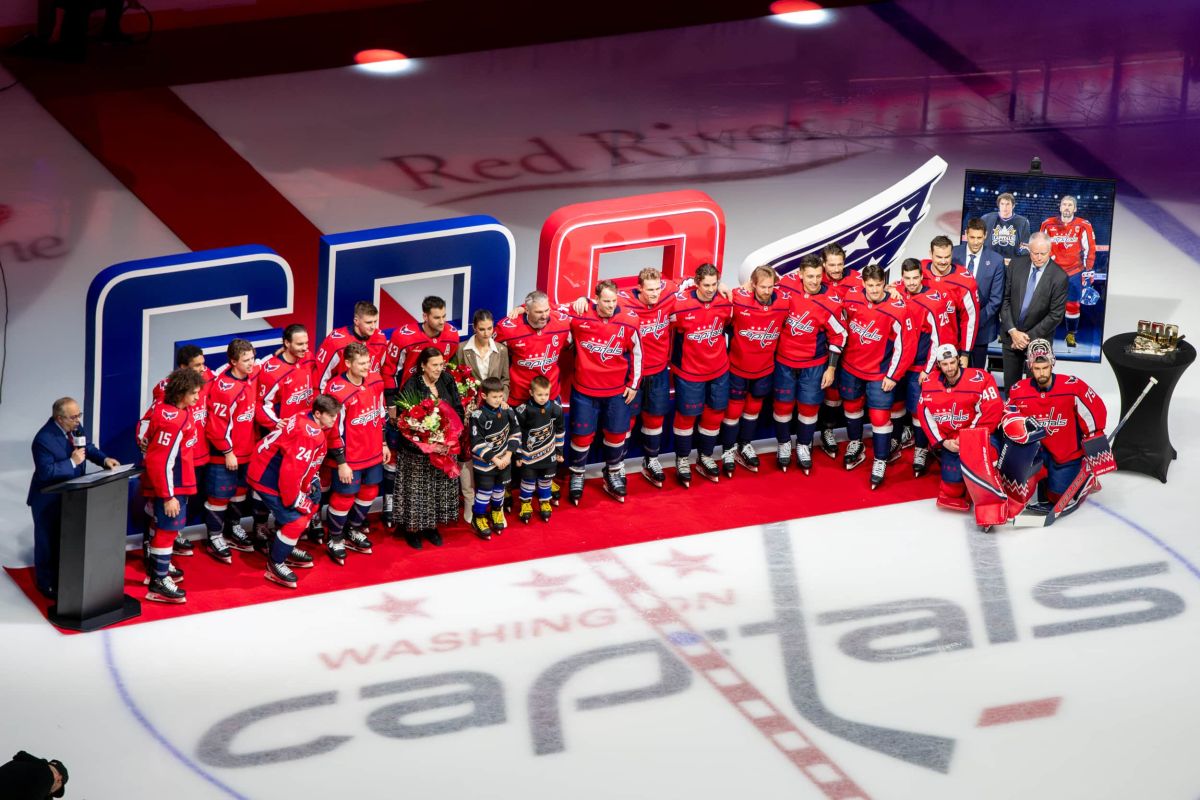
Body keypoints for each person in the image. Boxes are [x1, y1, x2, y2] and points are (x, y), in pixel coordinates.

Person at [27, 397, 120, 598]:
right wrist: (71, 462)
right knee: (47, 541)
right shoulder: (43, 440)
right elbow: (45, 473)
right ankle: (46, 583)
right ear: (59, 419)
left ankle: (66, 576)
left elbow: (88, 447)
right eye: (73, 417)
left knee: (67, 538)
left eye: (79, 415)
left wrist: (104, 459)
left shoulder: (75, 427)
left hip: (73, 495)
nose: (78, 420)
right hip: (48, 499)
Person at [248, 394, 342, 588]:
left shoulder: (306, 416)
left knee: (311, 504)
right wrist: (295, 500)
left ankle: (285, 546)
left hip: (270, 470)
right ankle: (275, 563)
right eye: (331, 415)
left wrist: (308, 486)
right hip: (267, 476)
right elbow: (290, 472)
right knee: (297, 520)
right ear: (317, 413)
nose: (335, 419)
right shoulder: (310, 434)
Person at [564, 280, 642, 504]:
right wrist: (581, 299)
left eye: (613, 301)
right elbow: (548, 310)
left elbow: (637, 353)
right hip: (585, 390)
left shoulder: (629, 320)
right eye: (605, 301)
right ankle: (577, 474)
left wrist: (633, 384)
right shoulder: (580, 314)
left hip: (616, 392)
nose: (610, 305)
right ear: (596, 299)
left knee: (617, 433)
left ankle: (613, 471)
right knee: (581, 436)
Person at [382, 296, 460, 518]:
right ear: (424, 316)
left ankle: (430, 512)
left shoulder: (452, 336)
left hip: (437, 406)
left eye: (444, 316)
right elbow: (389, 372)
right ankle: (390, 502)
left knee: (435, 457)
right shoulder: (403, 336)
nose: (442, 321)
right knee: (400, 457)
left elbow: (446, 369)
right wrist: (392, 407)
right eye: (437, 317)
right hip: (407, 405)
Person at [1006, 339, 1108, 504]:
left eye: (1045, 368)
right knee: (1017, 493)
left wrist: (1094, 441)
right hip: (1035, 453)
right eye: (1037, 369)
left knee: (1057, 498)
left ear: (1052, 364)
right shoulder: (1019, 390)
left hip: (1066, 454)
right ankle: (1044, 477)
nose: (1042, 373)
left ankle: (1086, 474)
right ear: (1030, 366)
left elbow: (1096, 410)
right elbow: (1008, 417)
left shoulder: (1072, 386)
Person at [772, 254, 846, 475]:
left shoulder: (831, 301)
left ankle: (804, 445)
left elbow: (839, 335)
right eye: (809, 276)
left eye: (817, 276)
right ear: (800, 274)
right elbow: (761, 278)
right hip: (784, 362)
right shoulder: (786, 285)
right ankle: (784, 443)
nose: (814, 281)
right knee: (783, 407)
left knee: (809, 407)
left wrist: (831, 368)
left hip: (813, 365)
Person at [838, 263, 909, 488]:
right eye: (870, 285)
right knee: (851, 407)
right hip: (851, 367)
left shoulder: (897, 307)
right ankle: (856, 443)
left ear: (884, 284)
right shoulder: (851, 297)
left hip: (879, 372)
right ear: (863, 284)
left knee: (879, 418)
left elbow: (905, 345)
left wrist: (893, 375)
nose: (875, 290)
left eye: (879, 285)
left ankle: (880, 459)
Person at [139, 344, 211, 557]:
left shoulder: (201, 383)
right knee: (162, 516)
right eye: (197, 365)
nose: (202, 369)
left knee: (170, 520)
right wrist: (144, 439)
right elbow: (148, 422)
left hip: (189, 459)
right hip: (172, 470)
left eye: (203, 363)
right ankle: (155, 559)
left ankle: (162, 551)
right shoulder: (170, 409)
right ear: (182, 367)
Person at [141, 368, 205, 603]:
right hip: (172, 486)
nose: (198, 398)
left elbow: (143, 434)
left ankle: (157, 573)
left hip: (174, 482)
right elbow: (160, 460)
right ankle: (158, 582)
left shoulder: (168, 410)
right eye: (194, 393)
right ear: (180, 393)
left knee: (162, 528)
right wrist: (168, 496)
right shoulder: (174, 421)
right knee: (167, 531)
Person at [915, 344, 1004, 509]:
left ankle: (991, 490)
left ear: (958, 360)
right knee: (952, 489)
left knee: (987, 460)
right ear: (939, 366)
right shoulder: (929, 383)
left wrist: (966, 438)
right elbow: (924, 415)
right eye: (945, 364)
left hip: (980, 436)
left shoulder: (980, 378)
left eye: (952, 362)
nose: (949, 368)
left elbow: (993, 410)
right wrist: (943, 442)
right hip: (952, 442)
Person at [722, 266, 790, 477]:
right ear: (752, 285)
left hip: (764, 369)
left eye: (771, 287)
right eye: (762, 287)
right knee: (733, 412)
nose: (767, 291)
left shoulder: (783, 303)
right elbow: (714, 295)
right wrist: (725, 286)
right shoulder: (738, 299)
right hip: (737, 368)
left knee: (753, 409)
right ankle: (728, 449)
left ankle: (745, 444)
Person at [669, 263, 733, 487]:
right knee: (687, 416)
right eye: (706, 285)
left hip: (719, 369)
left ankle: (705, 455)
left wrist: (723, 287)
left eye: (714, 284)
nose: (710, 289)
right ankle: (683, 459)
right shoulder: (680, 306)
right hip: (689, 371)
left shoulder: (725, 301)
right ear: (696, 283)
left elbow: (728, 323)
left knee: (715, 413)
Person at [324, 342, 387, 563]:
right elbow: (332, 430)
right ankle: (335, 537)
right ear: (348, 363)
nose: (366, 367)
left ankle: (353, 528)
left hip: (373, 452)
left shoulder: (376, 380)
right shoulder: (336, 390)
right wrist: (341, 462)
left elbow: (380, 413)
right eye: (361, 364)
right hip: (349, 458)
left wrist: (385, 443)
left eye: (368, 362)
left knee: (369, 492)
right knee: (344, 496)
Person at [394, 347, 464, 547]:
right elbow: (404, 420)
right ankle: (412, 530)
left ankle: (431, 527)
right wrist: (427, 445)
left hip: (445, 449)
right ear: (422, 366)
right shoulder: (411, 385)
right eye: (434, 365)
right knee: (417, 493)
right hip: (417, 453)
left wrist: (448, 440)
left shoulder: (447, 380)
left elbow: (457, 408)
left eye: (441, 364)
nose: (439, 369)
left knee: (436, 490)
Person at [252, 324, 315, 547]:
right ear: (286, 343)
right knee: (269, 485)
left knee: (296, 484)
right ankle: (259, 526)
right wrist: (278, 424)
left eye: (306, 343)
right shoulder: (272, 371)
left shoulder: (308, 359)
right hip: (279, 441)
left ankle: (285, 530)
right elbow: (261, 405)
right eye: (299, 344)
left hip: (304, 436)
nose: (304, 348)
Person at [202, 338, 259, 562]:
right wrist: (227, 452)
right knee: (219, 498)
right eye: (246, 360)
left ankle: (233, 527)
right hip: (224, 455)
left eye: (252, 358)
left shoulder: (252, 376)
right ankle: (214, 537)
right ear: (233, 361)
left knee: (239, 494)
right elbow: (215, 427)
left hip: (246, 451)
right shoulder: (224, 389)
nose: (251, 363)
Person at [452, 309, 510, 521]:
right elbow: (456, 379)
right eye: (482, 329)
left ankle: (498, 506)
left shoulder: (501, 350)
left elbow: (505, 380)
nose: (487, 334)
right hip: (470, 412)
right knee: (468, 454)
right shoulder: (461, 350)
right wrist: (466, 405)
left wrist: (502, 400)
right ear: (474, 328)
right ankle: (470, 500)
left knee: (497, 452)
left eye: (490, 329)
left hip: (495, 411)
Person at [891, 258, 952, 452]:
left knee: (919, 411)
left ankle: (920, 449)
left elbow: (938, 339)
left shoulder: (933, 301)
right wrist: (889, 290)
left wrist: (927, 369)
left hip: (919, 367)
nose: (911, 282)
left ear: (921, 277)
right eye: (907, 278)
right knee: (896, 405)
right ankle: (897, 439)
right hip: (899, 365)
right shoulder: (896, 292)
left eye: (915, 278)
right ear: (902, 278)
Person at [999, 232, 1069, 391]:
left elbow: (1055, 315)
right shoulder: (1015, 265)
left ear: (1050, 251)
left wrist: (1026, 338)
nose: (1038, 257)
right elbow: (1005, 300)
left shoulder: (1059, 277)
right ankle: (1012, 416)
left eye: (1043, 254)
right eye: (1034, 253)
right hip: (1011, 338)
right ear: (1028, 250)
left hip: (1038, 342)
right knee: (1011, 389)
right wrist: (1013, 332)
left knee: (1034, 391)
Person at [1040, 195, 1097, 348]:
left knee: (1073, 305)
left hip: (1074, 271)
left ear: (1075, 208)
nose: (1066, 207)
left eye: (1070, 205)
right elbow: (1041, 246)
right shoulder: (1047, 224)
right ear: (1060, 207)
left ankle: (1071, 334)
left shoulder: (1083, 225)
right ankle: (1043, 334)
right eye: (1064, 204)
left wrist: (1088, 271)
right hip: (1052, 271)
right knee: (1045, 304)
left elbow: (1090, 249)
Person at [468, 376, 520, 539]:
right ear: (484, 396)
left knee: (500, 490)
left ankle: (497, 512)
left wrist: (509, 455)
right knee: (484, 491)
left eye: (500, 396)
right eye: (494, 397)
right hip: (485, 465)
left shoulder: (508, 411)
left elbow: (516, 432)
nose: (499, 400)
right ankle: (479, 518)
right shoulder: (477, 416)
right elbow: (476, 443)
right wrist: (495, 459)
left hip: (505, 461)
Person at [952, 217, 1006, 368]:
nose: (975, 242)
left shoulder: (996, 261)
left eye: (979, 238)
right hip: (952, 328)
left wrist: (973, 322)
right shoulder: (953, 254)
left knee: (975, 376)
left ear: (985, 235)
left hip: (981, 329)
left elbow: (995, 300)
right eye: (972, 237)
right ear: (966, 235)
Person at [922, 235, 980, 369]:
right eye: (939, 257)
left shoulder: (965, 281)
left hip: (948, 349)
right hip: (919, 345)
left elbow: (970, 319)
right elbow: (904, 284)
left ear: (951, 254)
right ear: (931, 254)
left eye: (946, 257)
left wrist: (965, 353)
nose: (943, 261)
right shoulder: (920, 270)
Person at [514, 375, 564, 524]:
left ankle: (544, 501)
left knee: (546, 481)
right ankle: (526, 504)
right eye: (539, 394)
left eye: (546, 394)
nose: (543, 398)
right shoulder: (523, 410)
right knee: (528, 481)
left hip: (549, 455)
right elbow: (516, 434)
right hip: (528, 456)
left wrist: (559, 451)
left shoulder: (555, 408)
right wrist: (518, 455)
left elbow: (560, 430)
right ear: (531, 392)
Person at [313, 300, 388, 391]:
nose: (373, 326)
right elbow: (319, 380)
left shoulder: (380, 338)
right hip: (342, 395)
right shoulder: (336, 342)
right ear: (356, 321)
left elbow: (382, 370)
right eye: (368, 322)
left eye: (375, 321)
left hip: (369, 396)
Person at [980, 192, 1031, 263]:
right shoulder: (986, 219)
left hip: (1012, 263)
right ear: (998, 205)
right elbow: (979, 239)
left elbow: (1025, 245)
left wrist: (1017, 261)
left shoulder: (1023, 222)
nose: (1005, 207)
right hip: (989, 261)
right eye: (1002, 204)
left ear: (1013, 206)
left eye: (1007, 204)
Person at [0, 750, 68, 799]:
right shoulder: (48, 775)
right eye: (57, 789)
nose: (52, 792)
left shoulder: (17, 763)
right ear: (59, 779)